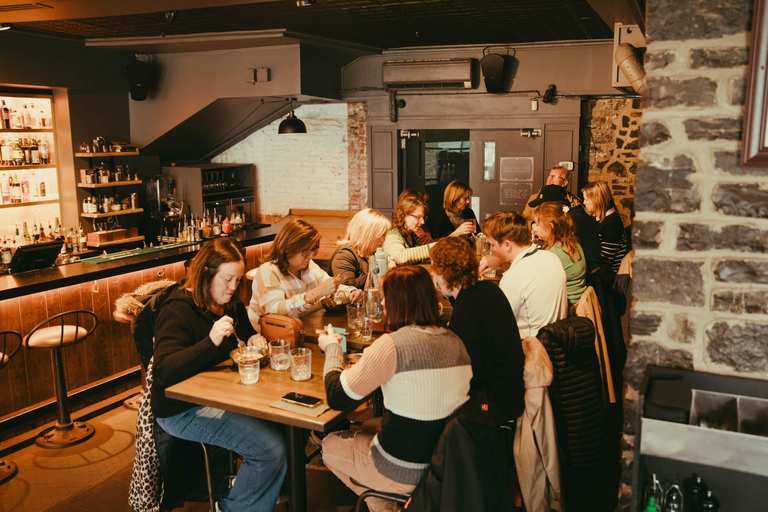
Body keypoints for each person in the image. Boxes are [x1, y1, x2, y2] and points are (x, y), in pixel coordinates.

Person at [318, 266, 472, 512]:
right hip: (446, 460)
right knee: (369, 425)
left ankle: (389, 503)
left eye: (384, 299)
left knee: (330, 444)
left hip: (405, 468)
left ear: (397, 303)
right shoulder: (456, 342)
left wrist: (331, 349)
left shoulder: (392, 345)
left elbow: (336, 395)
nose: (381, 304)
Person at [152, 238, 286, 512]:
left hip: (221, 396)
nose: (233, 288)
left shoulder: (231, 305)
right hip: (181, 410)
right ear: (205, 273)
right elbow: (163, 372)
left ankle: (262, 492)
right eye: (227, 279)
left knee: (285, 424)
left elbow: (248, 334)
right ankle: (232, 507)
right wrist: (210, 342)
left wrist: (256, 340)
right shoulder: (178, 309)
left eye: (238, 280)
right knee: (269, 449)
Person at [429, 237, 524, 426]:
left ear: (445, 274)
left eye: (434, 269)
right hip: (511, 391)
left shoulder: (466, 311)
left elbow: (467, 375)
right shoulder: (488, 290)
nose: (432, 274)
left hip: (490, 406)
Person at [248, 219, 362, 328]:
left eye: (313, 250)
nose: (311, 256)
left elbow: (330, 287)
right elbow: (275, 313)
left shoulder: (307, 266)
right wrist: (315, 294)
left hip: (305, 329)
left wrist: (351, 292)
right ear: (289, 249)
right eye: (306, 251)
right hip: (267, 339)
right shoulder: (268, 271)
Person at [482, 211, 568, 339]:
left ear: (507, 245)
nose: (491, 249)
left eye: (492, 244)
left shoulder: (513, 278)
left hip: (531, 349)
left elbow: (496, 324)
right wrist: (501, 261)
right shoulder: (552, 257)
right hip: (557, 342)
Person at [527, 184, 602, 275]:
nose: (540, 210)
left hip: (589, 276)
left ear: (553, 208)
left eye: (543, 207)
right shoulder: (574, 215)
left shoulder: (573, 220)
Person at [532, 201, 588, 306]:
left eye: (538, 225)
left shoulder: (554, 254)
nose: (534, 229)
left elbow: (535, 284)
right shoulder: (572, 243)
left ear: (551, 226)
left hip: (566, 309)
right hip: (577, 302)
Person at [329, 208, 392, 288]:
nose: (383, 239)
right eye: (380, 235)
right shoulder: (345, 253)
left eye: (384, 234)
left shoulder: (372, 251)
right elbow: (346, 287)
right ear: (365, 234)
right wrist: (382, 269)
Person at [582, 180, 630, 274]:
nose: (584, 202)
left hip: (608, 275)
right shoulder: (598, 217)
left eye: (587, 199)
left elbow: (605, 259)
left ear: (597, 199)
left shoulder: (612, 222)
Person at [382, 194, 433, 265]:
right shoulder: (393, 235)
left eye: (423, 218)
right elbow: (400, 257)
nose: (422, 222)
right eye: (418, 217)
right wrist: (434, 247)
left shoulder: (414, 236)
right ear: (404, 215)